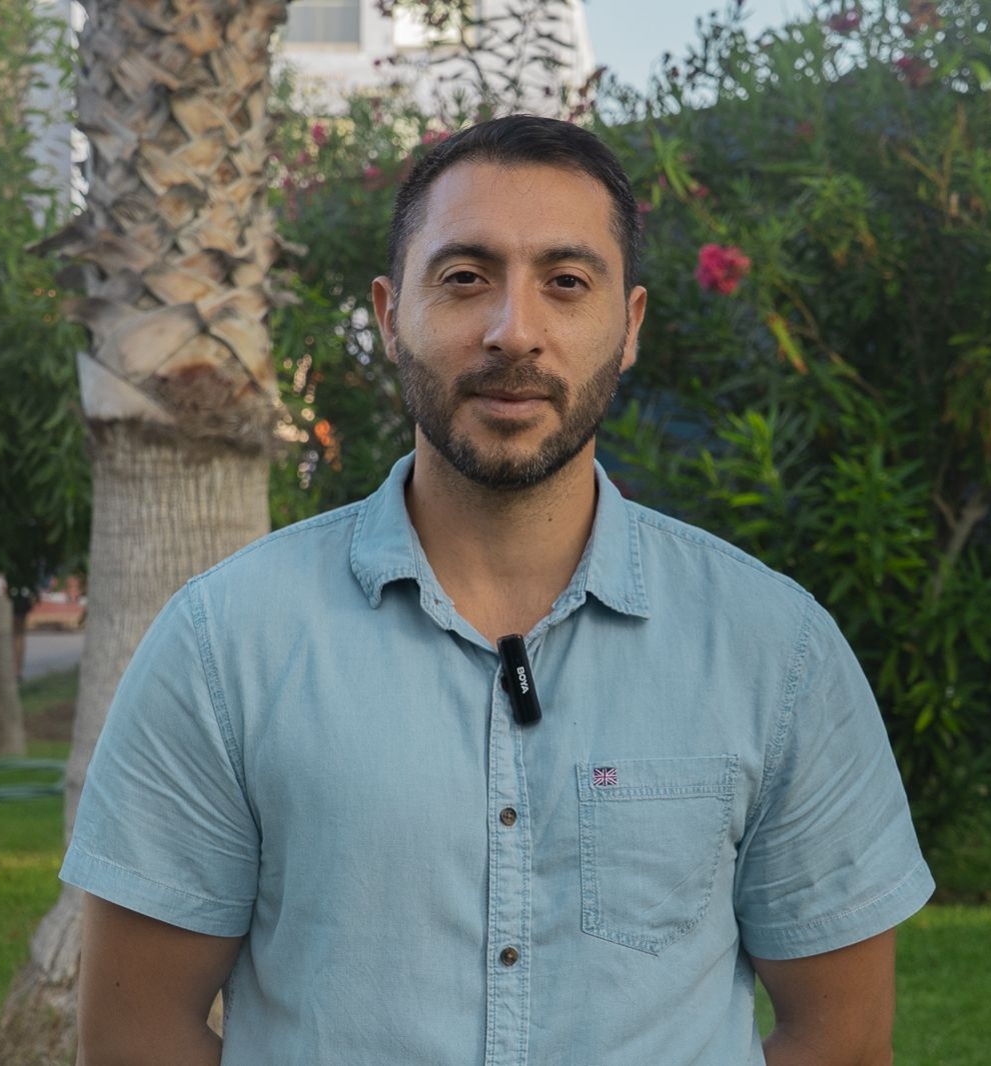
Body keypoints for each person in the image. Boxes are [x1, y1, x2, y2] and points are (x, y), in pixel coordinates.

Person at [62, 115, 934, 1066]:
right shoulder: (224, 644)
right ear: (390, 314)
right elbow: (136, 1035)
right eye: (465, 277)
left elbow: (844, 1040)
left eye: (567, 283)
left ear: (630, 325)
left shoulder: (776, 650)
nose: (514, 331)